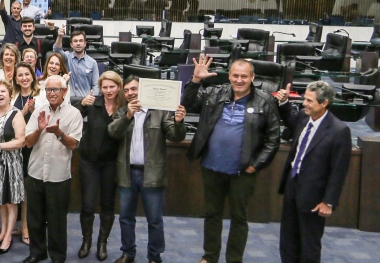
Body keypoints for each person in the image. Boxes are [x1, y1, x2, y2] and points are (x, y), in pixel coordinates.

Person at [184, 56, 281, 263]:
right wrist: (195, 80)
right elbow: (189, 103)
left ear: (252, 77)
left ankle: (234, 260)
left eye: (244, 76)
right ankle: (209, 257)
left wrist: (256, 166)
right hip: (211, 167)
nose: (239, 80)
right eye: (235, 76)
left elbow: (273, 140)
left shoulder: (265, 101)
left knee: (239, 219)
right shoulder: (215, 93)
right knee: (212, 215)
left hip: (243, 172)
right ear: (229, 76)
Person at [108, 76, 187, 263]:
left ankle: (154, 256)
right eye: (126, 91)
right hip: (127, 173)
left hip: (152, 174)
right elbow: (113, 132)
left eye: (133, 89)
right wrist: (128, 116)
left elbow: (175, 136)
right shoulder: (121, 112)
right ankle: (128, 253)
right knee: (126, 218)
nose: (130, 93)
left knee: (155, 220)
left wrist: (178, 121)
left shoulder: (160, 112)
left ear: (142, 90)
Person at [275, 82, 352, 262]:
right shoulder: (303, 116)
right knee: (287, 240)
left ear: (324, 103)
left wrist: (329, 201)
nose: (304, 104)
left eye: (309, 101)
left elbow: (338, 170)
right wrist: (285, 102)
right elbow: (290, 120)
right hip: (292, 184)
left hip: (315, 194)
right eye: (304, 99)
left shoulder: (339, 131)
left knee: (309, 243)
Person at [22, 75, 83, 263]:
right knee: (35, 219)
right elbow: (27, 142)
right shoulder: (38, 112)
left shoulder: (74, 114)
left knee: (57, 221)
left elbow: (73, 144)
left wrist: (59, 133)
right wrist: (40, 129)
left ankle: (57, 257)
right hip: (35, 173)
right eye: (48, 90)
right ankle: (37, 253)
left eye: (56, 89)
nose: (51, 93)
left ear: (64, 91)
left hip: (58, 176)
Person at [69, 71, 121, 260]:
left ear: (118, 87)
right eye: (105, 87)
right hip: (89, 162)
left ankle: (102, 242)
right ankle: (87, 241)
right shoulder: (93, 103)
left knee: (107, 204)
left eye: (112, 87)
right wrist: (81, 103)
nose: (108, 91)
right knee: (88, 204)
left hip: (111, 162)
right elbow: (72, 115)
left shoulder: (123, 106)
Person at [0, 80, 27, 256]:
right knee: (0, 199)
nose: (0, 95)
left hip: (11, 165)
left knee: (10, 201)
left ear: (10, 95)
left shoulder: (16, 114)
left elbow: (21, 141)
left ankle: (8, 236)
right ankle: (2, 231)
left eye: (3, 92)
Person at [10, 62, 39, 245]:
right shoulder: (12, 95)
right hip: (14, 147)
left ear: (32, 76)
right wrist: (24, 112)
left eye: (27, 74)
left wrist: (34, 112)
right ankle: (17, 224)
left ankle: (26, 226)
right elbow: (6, 119)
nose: (24, 78)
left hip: (33, 147)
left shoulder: (40, 95)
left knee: (28, 189)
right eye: (20, 75)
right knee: (16, 187)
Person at [53, 27, 99, 103]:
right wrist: (60, 36)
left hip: (86, 101)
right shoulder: (66, 57)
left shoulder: (92, 62)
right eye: (75, 41)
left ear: (85, 44)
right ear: (71, 44)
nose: (78, 43)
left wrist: (91, 98)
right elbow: (57, 50)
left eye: (81, 41)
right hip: (68, 101)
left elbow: (96, 85)